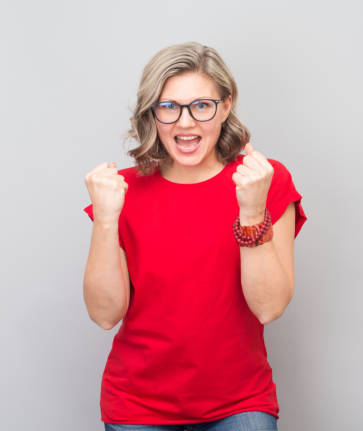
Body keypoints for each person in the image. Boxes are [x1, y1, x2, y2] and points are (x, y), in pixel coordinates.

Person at [82, 42, 307, 431]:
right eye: (169, 107)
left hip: (239, 401)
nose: (185, 123)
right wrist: (105, 219)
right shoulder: (123, 192)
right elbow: (104, 316)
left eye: (201, 105)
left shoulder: (264, 180)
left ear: (225, 105)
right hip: (137, 405)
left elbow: (268, 306)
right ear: (152, 113)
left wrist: (252, 211)